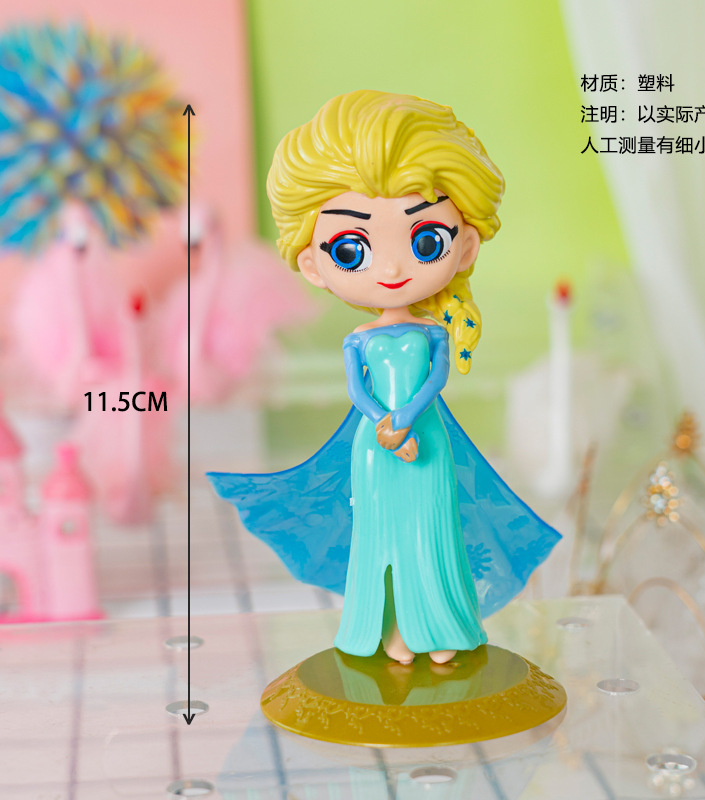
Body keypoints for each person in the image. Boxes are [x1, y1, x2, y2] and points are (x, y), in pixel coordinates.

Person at [209, 90, 560, 665]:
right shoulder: (359, 340)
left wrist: (404, 419)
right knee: (383, 539)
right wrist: (383, 423)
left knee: (431, 533)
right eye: (352, 249)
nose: (393, 267)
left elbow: (435, 381)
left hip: (424, 439)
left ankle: (440, 626)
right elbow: (357, 391)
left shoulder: (432, 334)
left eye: (425, 241)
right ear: (313, 264)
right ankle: (391, 629)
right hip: (376, 446)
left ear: (465, 247)